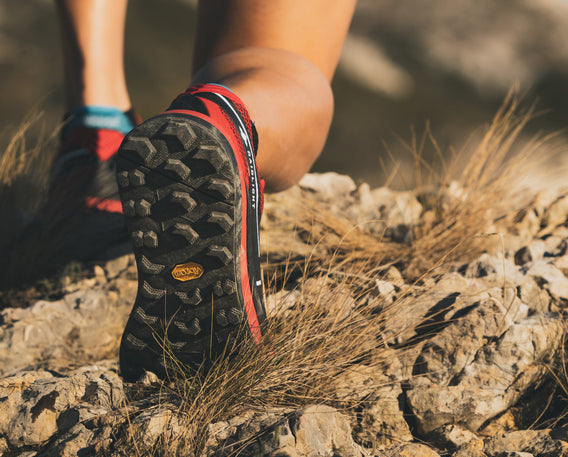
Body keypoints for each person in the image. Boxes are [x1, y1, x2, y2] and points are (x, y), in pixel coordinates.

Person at [50, 0, 356, 379]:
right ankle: (227, 121)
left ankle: (96, 132)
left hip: (90, 149)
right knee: (265, 60)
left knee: (233, 63)